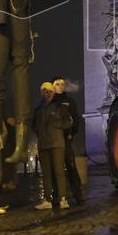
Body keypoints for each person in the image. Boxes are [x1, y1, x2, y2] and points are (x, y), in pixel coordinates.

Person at [32, 81, 72, 210]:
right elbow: (34, 126)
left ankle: (62, 199)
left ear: (53, 93)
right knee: (46, 174)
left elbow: (68, 122)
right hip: (43, 144)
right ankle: (48, 200)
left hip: (57, 143)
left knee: (59, 172)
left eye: (49, 91)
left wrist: (57, 125)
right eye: (45, 91)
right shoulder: (38, 110)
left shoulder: (60, 107)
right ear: (42, 93)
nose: (47, 93)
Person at [54, 78, 84, 205]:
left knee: (71, 167)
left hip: (66, 139)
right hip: (54, 139)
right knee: (56, 169)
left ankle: (78, 195)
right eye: (57, 84)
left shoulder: (70, 101)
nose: (60, 86)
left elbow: (76, 119)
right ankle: (58, 196)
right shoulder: (50, 102)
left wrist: (72, 133)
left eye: (62, 84)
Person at [1, 117, 18, 191]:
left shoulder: (9, 128)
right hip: (8, 147)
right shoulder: (9, 128)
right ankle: (8, 182)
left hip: (7, 147)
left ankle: (7, 182)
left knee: (8, 166)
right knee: (9, 166)